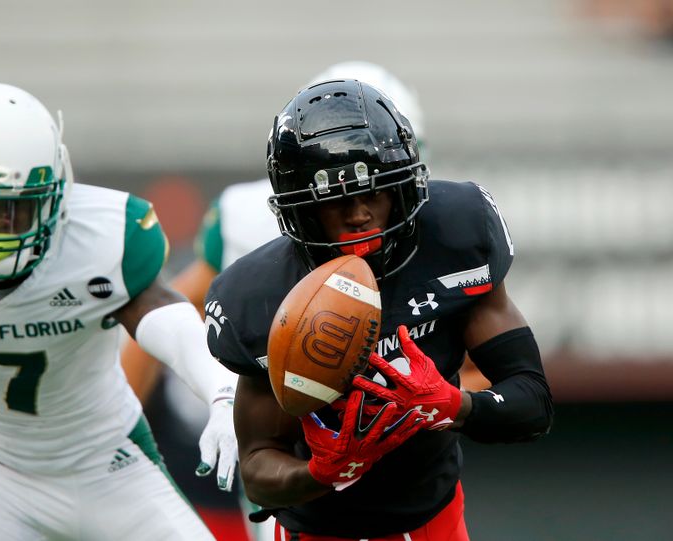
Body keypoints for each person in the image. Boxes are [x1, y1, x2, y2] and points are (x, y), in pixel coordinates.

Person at [0, 83, 239, 541]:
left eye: (15, 212)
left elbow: (163, 314)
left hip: (110, 465)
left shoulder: (99, 233)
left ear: (56, 194)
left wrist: (222, 392)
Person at [205, 79, 554, 540]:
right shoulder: (262, 296)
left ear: (404, 186)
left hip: (434, 517)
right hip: (318, 530)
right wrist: (321, 473)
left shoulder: (455, 235)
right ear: (302, 212)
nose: (358, 214)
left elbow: (532, 403)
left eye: (374, 192)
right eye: (336, 200)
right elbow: (257, 464)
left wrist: (452, 405)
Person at [120, 62, 432, 541]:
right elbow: (165, 314)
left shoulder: (436, 227)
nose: (365, 196)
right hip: (265, 433)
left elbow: (475, 366)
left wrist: (421, 406)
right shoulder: (246, 219)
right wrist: (122, 433)